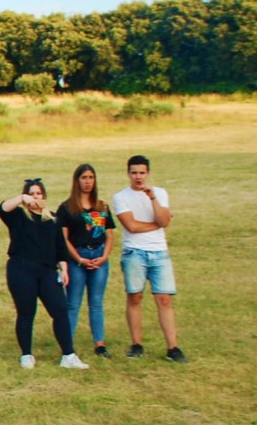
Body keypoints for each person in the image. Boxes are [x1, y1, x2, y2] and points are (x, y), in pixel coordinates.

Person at [0, 179, 89, 370]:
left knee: (60, 310)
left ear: (44, 196)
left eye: (38, 193)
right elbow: (2, 208)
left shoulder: (53, 220)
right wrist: (22, 199)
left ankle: (68, 355)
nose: (35, 197)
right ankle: (26, 355)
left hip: (47, 271)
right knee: (26, 312)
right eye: (31, 193)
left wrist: (64, 269)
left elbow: (60, 248)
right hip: (21, 269)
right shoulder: (19, 217)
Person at [111, 155, 187, 363]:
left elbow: (164, 220)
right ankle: (136, 344)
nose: (138, 177)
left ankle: (173, 347)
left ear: (148, 174)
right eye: (134, 173)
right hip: (134, 252)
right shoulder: (121, 197)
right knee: (135, 297)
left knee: (165, 299)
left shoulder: (160, 193)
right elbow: (132, 226)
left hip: (159, 252)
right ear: (128, 174)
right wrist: (158, 224)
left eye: (142, 173)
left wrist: (152, 198)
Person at [56, 164, 115, 358]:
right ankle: (68, 346)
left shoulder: (102, 206)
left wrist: (104, 256)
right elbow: (63, 238)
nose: (88, 181)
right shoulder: (67, 208)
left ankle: (99, 343)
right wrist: (79, 259)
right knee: (73, 303)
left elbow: (110, 234)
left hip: (98, 256)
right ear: (77, 180)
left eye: (91, 177)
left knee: (96, 302)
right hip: (77, 258)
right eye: (84, 177)